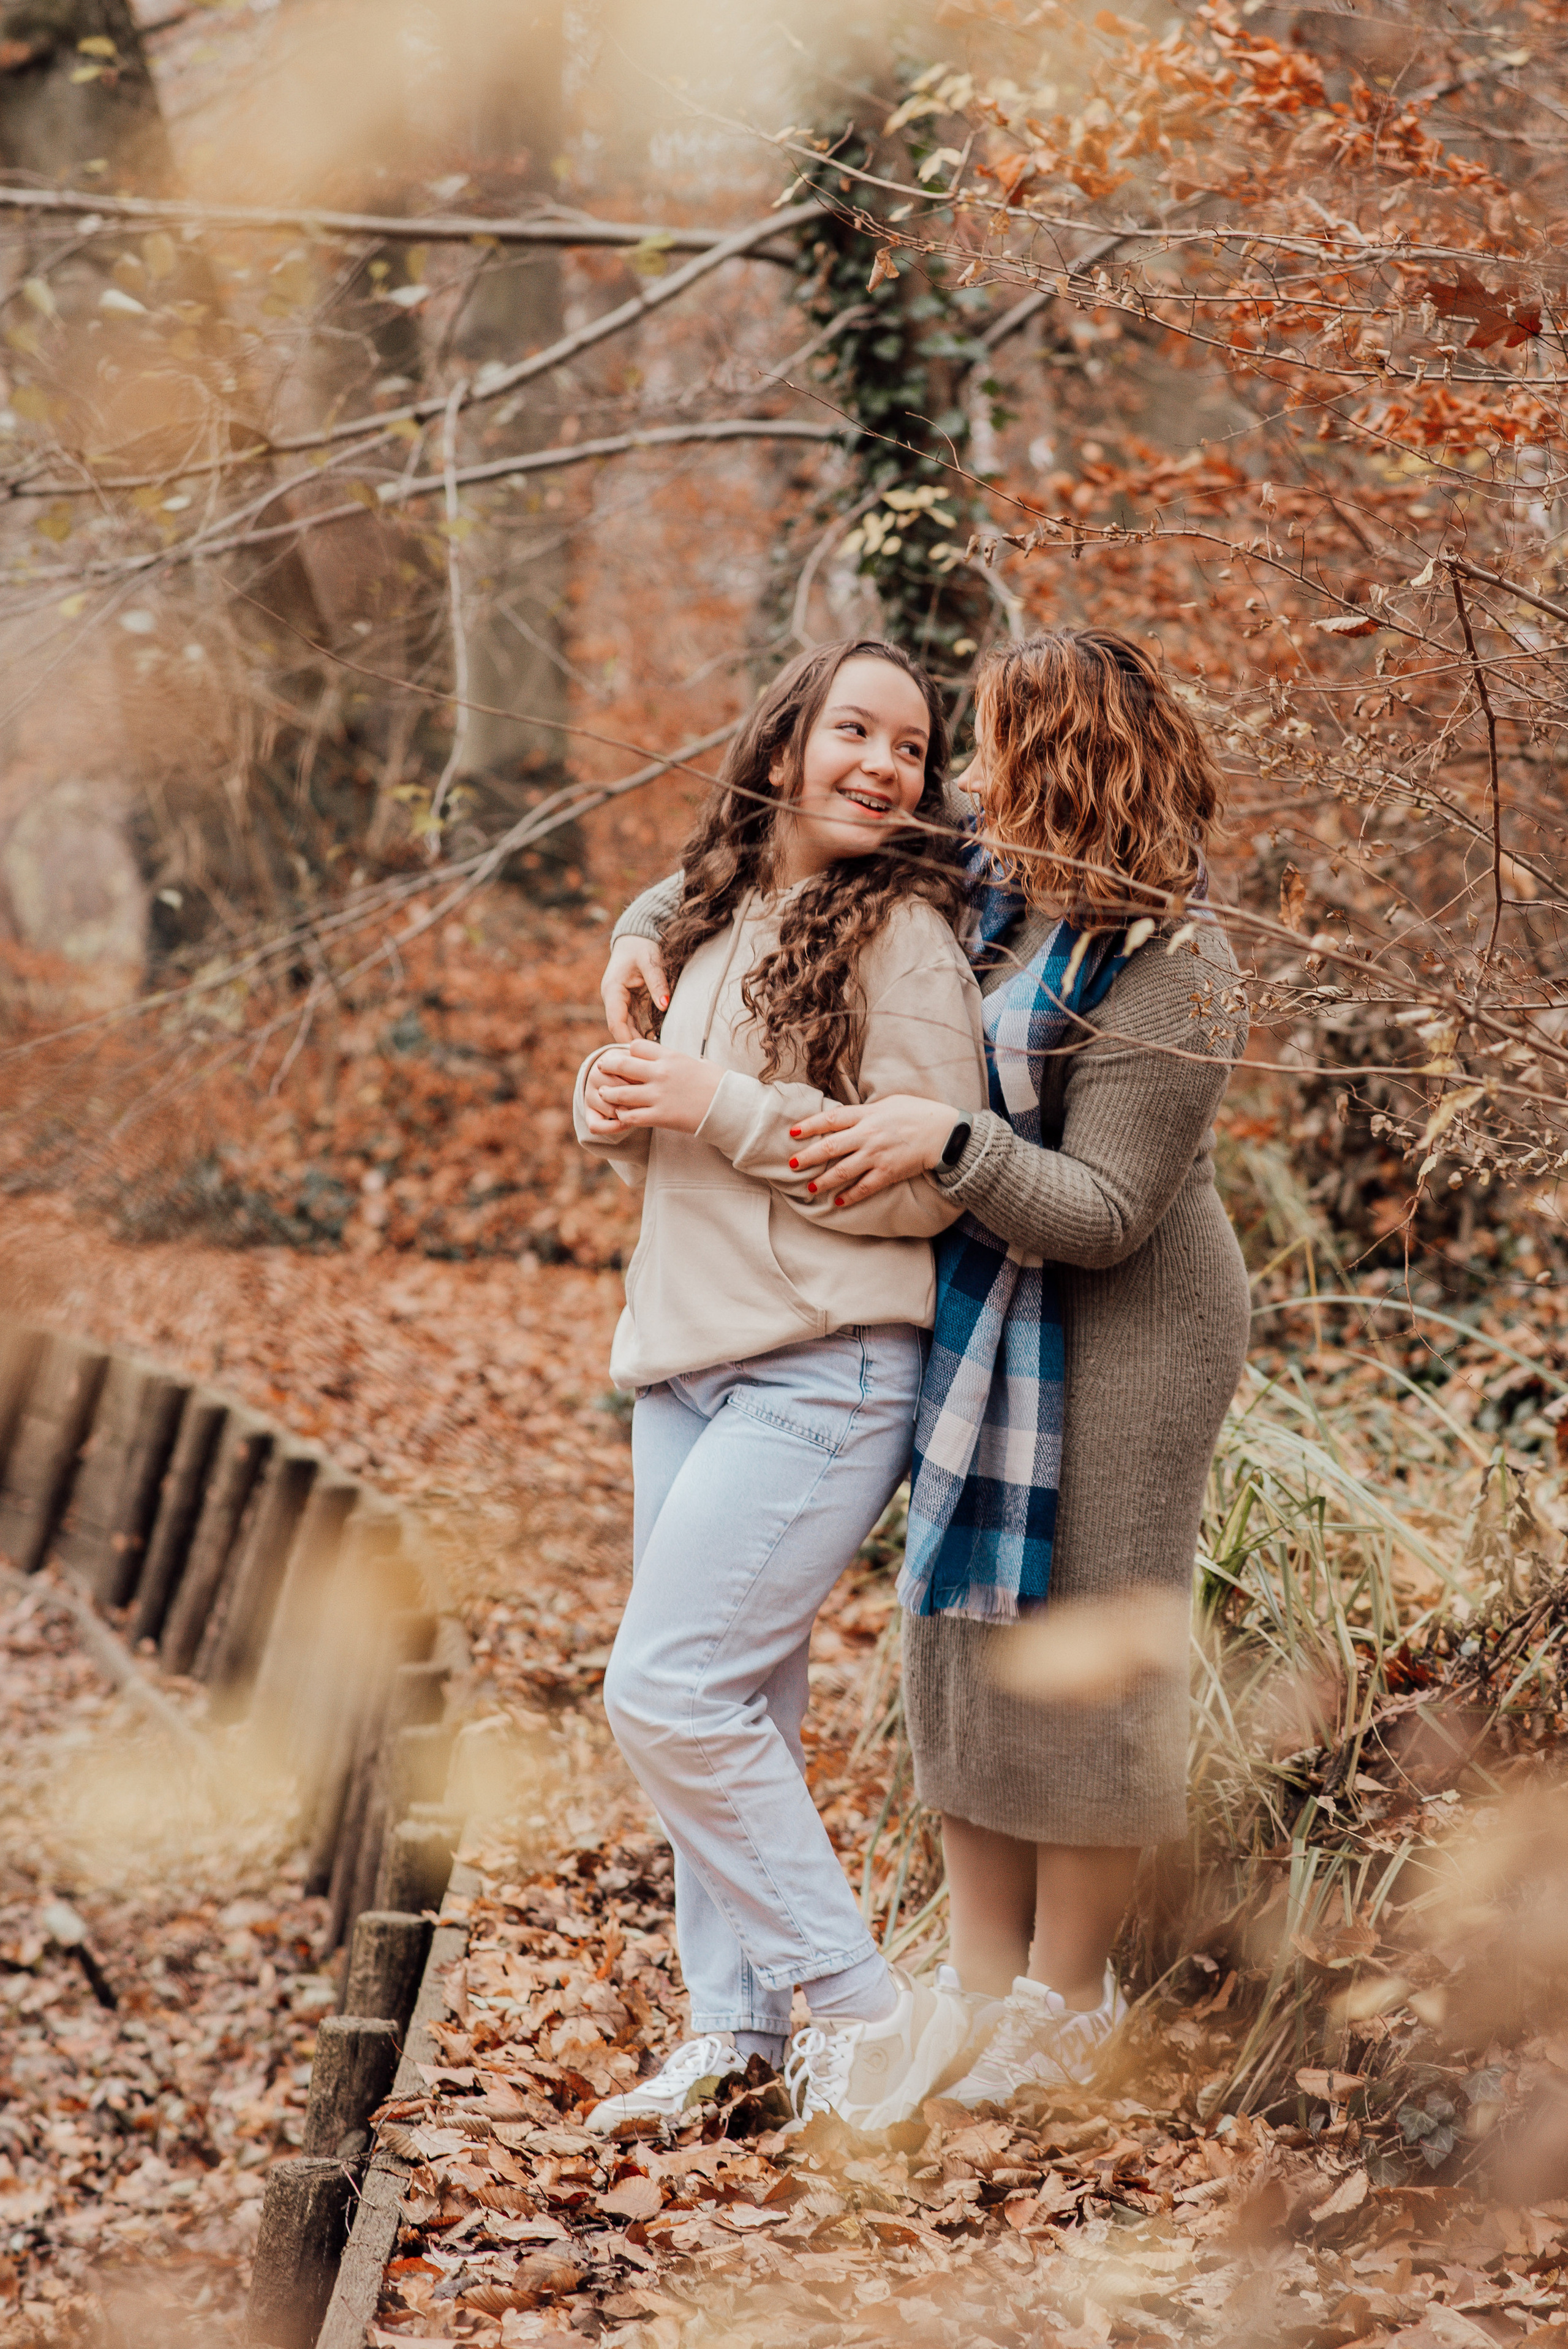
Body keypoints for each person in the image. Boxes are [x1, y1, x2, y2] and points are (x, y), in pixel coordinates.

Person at [601, 627, 1250, 2109]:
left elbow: (1103, 1213)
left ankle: (1063, 2000)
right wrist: (642, 924)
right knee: (960, 1617)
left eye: (990, 749)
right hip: (988, 1307)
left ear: (1064, 764)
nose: (950, 775)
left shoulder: (1178, 965)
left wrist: (948, 1146)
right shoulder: (996, 881)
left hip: (1128, 1319)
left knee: (1085, 1636)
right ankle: (964, 1987)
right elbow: (773, 842)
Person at [573, 637, 989, 2135]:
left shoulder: (909, 945)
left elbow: (921, 1184)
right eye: (854, 733)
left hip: (824, 1371)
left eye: (910, 747)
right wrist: (617, 1091)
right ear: (781, 746)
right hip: (682, 1367)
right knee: (733, 1699)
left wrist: (720, 1103)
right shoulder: (707, 916)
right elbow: (664, 1112)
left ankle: (866, 2014)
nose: (883, 765)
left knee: (664, 1690)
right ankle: (732, 2034)